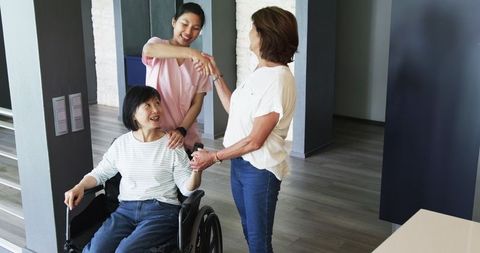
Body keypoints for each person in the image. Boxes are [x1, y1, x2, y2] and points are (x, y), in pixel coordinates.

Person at [190, 6, 298, 253]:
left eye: (253, 28)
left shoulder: (279, 79)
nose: (249, 32)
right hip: (240, 164)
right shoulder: (261, 71)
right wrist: (216, 76)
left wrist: (214, 157)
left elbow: (255, 141)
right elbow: (235, 110)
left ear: (264, 35)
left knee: (259, 241)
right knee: (249, 230)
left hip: (260, 170)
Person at [64, 86, 202, 252]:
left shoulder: (172, 145)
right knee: (95, 250)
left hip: (161, 211)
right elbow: (100, 173)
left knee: (125, 251)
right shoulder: (121, 144)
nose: (156, 109)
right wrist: (80, 186)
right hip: (125, 211)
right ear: (133, 113)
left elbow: (186, 189)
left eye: (158, 103)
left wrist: (196, 170)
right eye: (148, 105)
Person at [142, 2, 212, 155]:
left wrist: (181, 130)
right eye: (184, 24)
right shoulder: (157, 44)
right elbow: (148, 50)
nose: (188, 32)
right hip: (155, 135)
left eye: (195, 28)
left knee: (187, 179)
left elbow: (197, 104)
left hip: (185, 137)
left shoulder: (200, 63)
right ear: (174, 22)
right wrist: (192, 53)